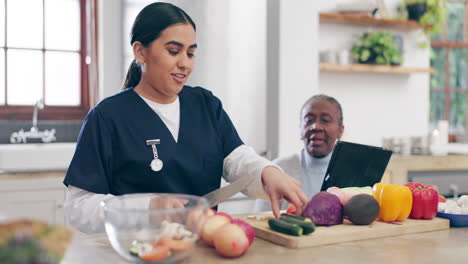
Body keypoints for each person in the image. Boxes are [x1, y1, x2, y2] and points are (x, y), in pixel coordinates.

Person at [63, 2, 307, 233]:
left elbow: (236, 159)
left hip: (202, 245)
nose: (185, 64)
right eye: (173, 51)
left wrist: (267, 171)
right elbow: (79, 208)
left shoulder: (205, 104)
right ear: (140, 52)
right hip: (139, 251)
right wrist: (148, 207)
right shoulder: (107, 117)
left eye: (191, 53)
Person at [254, 94, 344, 212]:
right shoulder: (279, 169)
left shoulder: (352, 172)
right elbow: (260, 218)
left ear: (340, 130)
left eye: (325, 120)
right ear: (300, 127)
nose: (315, 126)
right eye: (309, 120)